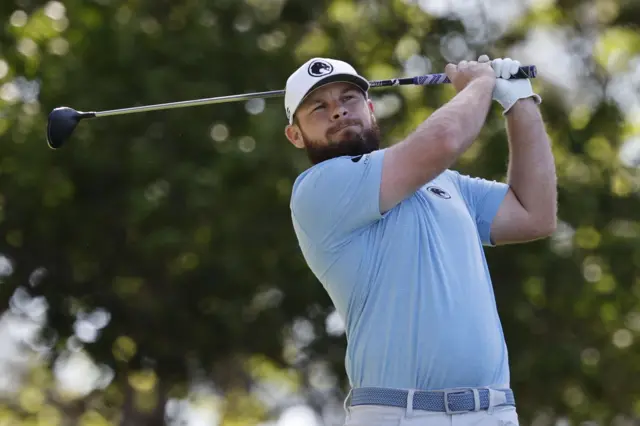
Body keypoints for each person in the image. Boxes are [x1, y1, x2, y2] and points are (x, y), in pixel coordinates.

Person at [283, 55, 557, 426]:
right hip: (399, 413)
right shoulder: (317, 190)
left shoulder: (445, 182)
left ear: (370, 109)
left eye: (348, 98)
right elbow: (443, 140)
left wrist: (519, 103)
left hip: (493, 413)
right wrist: (479, 84)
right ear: (295, 135)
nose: (337, 112)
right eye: (319, 106)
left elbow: (534, 214)